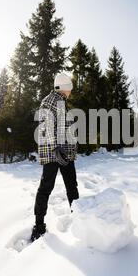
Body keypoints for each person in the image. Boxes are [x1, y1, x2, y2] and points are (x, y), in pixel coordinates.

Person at [31, 73, 79, 242]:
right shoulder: (50, 100)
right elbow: (46, 126)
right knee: (46, 188)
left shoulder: (60, 102)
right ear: (64, 87)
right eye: (70, 88)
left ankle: (79, 220)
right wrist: (56, 147)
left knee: (71, 185)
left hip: (63, 152)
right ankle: (38, 226)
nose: (71, 92)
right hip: (55, 153)